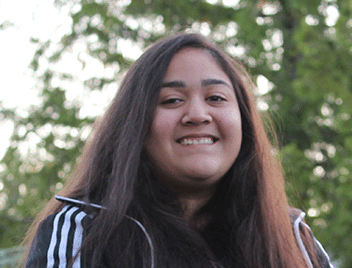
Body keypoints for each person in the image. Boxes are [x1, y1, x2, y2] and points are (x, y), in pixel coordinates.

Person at [24, 33, 334, 268]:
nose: (198, 114)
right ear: (135, 127)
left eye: (216, 98)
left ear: (245, 123)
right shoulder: (81, 232)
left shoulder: (293, 238)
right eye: (172, 100)